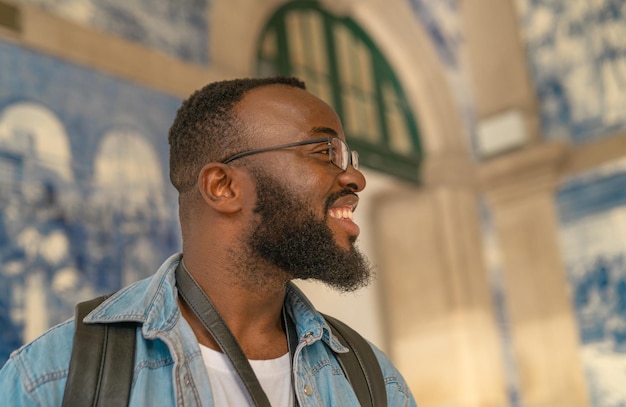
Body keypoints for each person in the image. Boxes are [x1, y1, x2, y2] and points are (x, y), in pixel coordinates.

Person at [0, 77, 417, 406]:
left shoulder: (371, 380)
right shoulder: (54, 377)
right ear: (223, 186)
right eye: (326, 151)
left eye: (349, 157)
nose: (355, 178)